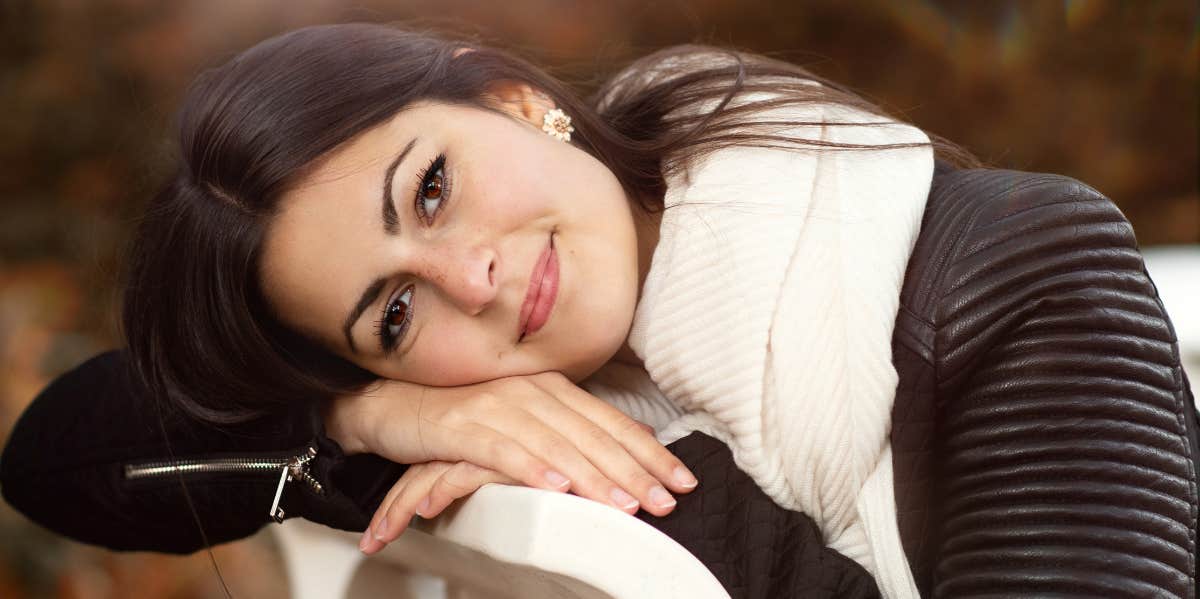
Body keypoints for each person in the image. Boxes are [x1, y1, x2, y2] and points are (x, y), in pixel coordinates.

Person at [3, 22, 1197, 598]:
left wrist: (636, 494)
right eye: (394, 312)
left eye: (431, 187)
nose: (469, 276)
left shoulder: (1008, 269)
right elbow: (56, 459)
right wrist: (370, 420)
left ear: (523, 104)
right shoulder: (465, 412)